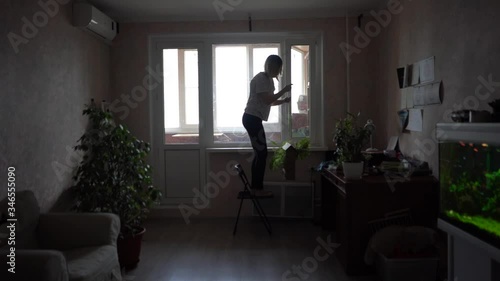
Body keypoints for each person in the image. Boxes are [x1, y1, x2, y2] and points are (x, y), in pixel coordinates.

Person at [242, 55, 292, 197]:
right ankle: (257, 189)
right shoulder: (261, 78)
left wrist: (283, 101)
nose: (278, 71)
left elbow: (269, 101)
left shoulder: (269, 81)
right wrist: (284, 91)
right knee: (262, 154)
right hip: (251, 118)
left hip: (254, 119)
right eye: (277, 68)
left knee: (260, 154)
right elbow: (267, 99)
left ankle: (255, 188)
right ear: (272, 66)